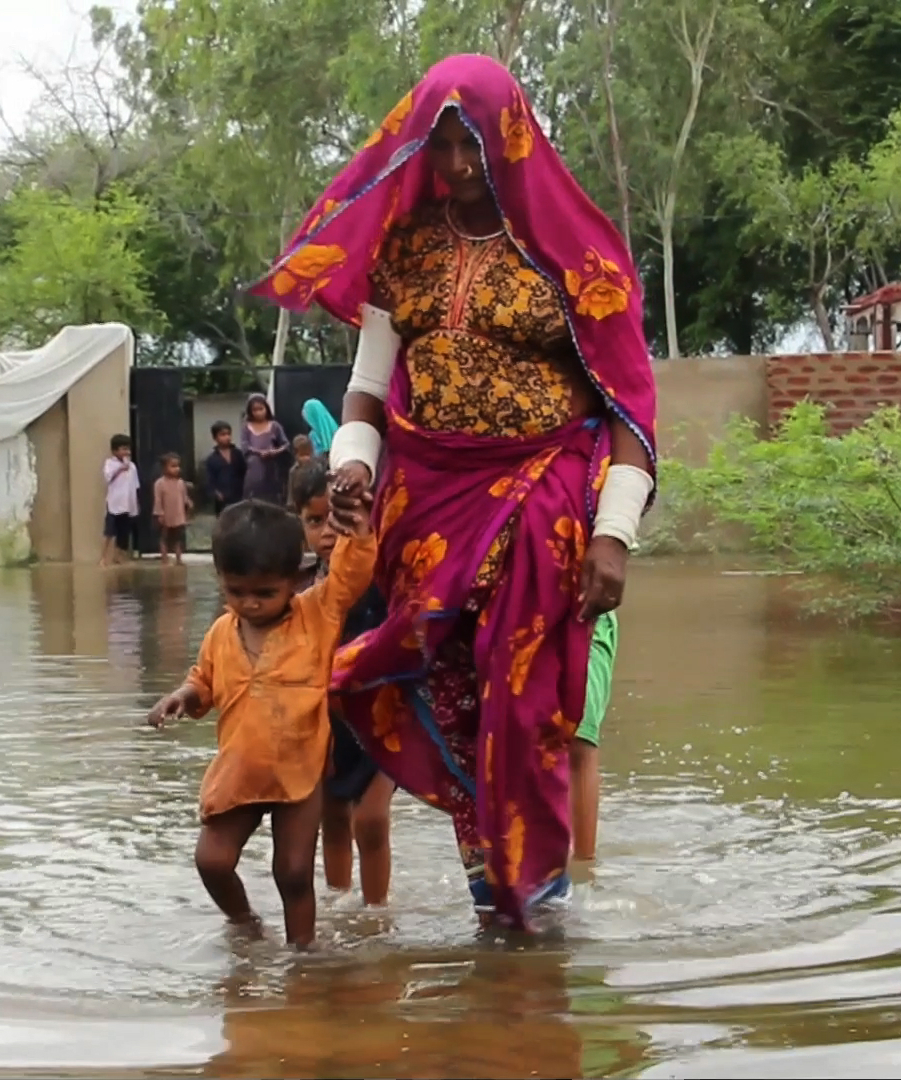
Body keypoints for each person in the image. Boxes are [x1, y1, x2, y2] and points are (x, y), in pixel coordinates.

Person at [248, 54, 657, 929]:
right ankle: (494, 897)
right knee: (444, 694)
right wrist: (355, 465)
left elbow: (629, 408)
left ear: (509, 137)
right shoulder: (406, 249)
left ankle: (536, 908)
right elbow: (368, 384)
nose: (458, 167)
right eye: (439, 149)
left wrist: (615, 534)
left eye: (472, 145)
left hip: (542, 503)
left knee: (526, 701)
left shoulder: (575, 256)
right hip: (427, 505)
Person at [145, 498, 377, 948]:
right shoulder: (220, 633)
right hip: (240, 773)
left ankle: (302, 955)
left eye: (265, 593)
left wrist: (358, 529)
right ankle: (245, 922)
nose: (249, 603)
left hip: (300, 774)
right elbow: (204, 681)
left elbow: (353, 575)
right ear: (220, 580)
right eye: (236, 591)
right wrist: (181, 696)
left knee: (291, 873)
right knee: (212, 860)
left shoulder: (317, 615)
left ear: (296, 579)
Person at [290, 460, 394, 906]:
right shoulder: (297, 588)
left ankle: (375, 916)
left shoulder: (381, 579)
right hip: (327, 722)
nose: (327, 533)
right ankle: (339, 906)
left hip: (385, 716)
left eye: (337, 520)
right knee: (332, 815)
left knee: (370, 819)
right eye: (314, 521)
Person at [238, 393, 289, 503]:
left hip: (272, 470)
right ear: (250, 412)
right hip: (254, 470)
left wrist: (273, 452)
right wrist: (259, 453)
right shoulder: (246, 427)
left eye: (261, 409)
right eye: (255, 410)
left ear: (266, 408)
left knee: (271, 501)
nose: (258, 413)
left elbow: (286, 445)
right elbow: (244, 446)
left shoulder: (275, 426)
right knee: (253, 500)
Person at [101, 434, 140, 567]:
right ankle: (104, 557)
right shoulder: (110, 464)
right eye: (123, 449)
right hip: (114, 503)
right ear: (115, 450)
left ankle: (119, 557)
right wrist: (120, 469)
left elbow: (135, 486)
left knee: (124, 533)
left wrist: (135, 504)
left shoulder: (132, 467)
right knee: (109, 531)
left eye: (128, 449)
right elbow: (107, 477)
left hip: (128, 504)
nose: (127, 452)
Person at [153, 452, 195, 564]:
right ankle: (164, 558)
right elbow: (158, 500)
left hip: (178, 514)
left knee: (178, 538)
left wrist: (189, 503)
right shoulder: (159, 484)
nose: (177, 469)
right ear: (164, 468)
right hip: (166, 514)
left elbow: (184, 496)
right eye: (173, 466)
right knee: (164, 537)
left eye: (178, 466)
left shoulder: (180, 483)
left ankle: (179, 558)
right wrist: (159, 513)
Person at [204, 421, 247, 514]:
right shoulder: (212, 459)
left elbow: (245, 473)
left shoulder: (238, 454)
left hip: (240, 496)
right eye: (222, 435)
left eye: (228, 434)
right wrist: (216, 493)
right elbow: (210, 480)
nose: (227, 437)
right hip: (223, 499)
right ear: (215, 438)